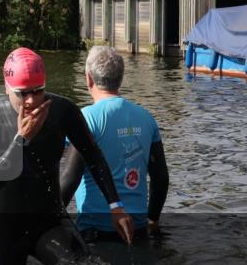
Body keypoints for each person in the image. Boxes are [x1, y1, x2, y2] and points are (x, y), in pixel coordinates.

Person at [0, 47, 133, 265]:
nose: (31, 100)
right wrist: (21, 139)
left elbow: (93, 155)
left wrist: (115, 206)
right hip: (3, 226)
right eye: (22, 93)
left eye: (38, 91)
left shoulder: (62, 110)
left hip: (48, 218)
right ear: (7, 87)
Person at [60, 46, 169, 242]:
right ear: (121, 78)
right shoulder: (146, 118)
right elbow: (160, 178)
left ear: (89, 79)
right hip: (137, 229)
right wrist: (152, 220)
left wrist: (49, 220)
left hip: (95, 230)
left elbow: (70, 178)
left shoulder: (85, 119)